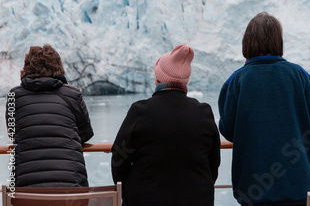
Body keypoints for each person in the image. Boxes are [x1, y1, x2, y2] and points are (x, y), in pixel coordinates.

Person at [218, 12, 310, 206]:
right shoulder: (300, 75)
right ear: (278, 41)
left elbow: (227, 130)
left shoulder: (236, 81)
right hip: (299, 185)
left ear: (247, 42)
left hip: (253, 189)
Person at [111, 44, 220, 206]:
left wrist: (127, 187)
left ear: (158, 79)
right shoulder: (203, 112)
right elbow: (214, 162)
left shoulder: (140, 111)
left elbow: (119, 159)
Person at [7, 44, 94, 187]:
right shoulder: (72, 94)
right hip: (71, 191)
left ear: (27, 68)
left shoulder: (14, 96)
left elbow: (13, 133)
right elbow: (86, 134)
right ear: (58, 67)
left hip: (26, 192)